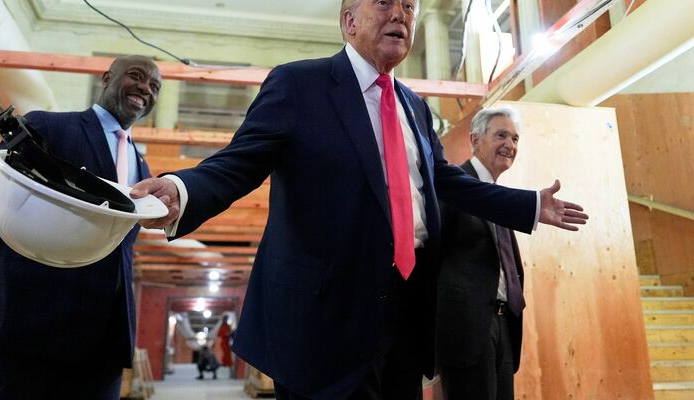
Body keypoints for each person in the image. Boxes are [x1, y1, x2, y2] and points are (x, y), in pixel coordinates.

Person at [131, 1, 588, 399]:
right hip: (325, 318)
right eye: (385, 2)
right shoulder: (298, 85)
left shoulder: (415, 105)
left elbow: (445, 180)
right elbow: (240, 163)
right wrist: (181, 189)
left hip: (409, 313)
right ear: (349, 21)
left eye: (409, 7)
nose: (400, 15)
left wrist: (526, 206)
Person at [0, 55, 160, 399]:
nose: (145, 89)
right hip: (20, 330)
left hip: (100, 348)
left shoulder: (142, 166)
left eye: (155, 87)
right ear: (107, 77)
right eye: (136, 76)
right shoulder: (47, 127)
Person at [435, 107, 528, 400]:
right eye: (501, 135)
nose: (510, 145)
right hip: (466, 331)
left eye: (515, 138)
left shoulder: (500, 196)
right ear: (475, 139)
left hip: (504, 324)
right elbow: (431, 259)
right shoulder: (455, 186)